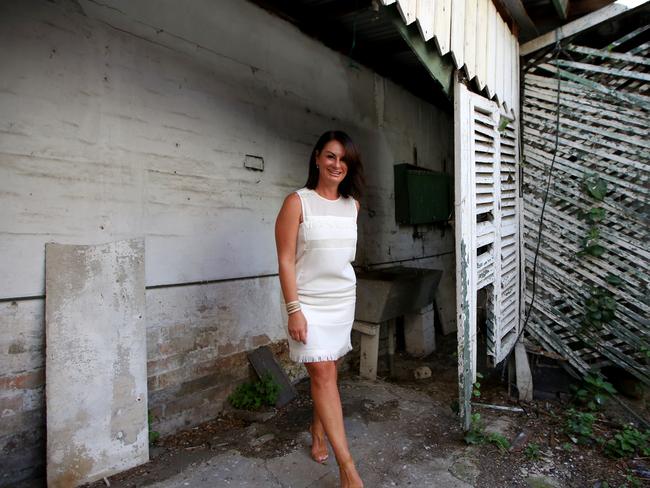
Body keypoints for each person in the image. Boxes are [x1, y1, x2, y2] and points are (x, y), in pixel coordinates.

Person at [275, 130, 365, 488]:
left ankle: (318, 431)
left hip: (342, 301)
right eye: (330, 156)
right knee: (323, 376)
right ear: (316, 158)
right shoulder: (297, 202)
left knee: (327, 375)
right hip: (308, 303)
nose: (337, 164)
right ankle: (348, 469)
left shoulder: (352, 205)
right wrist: (293, 309)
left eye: (343, 159)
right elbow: (284, 260)